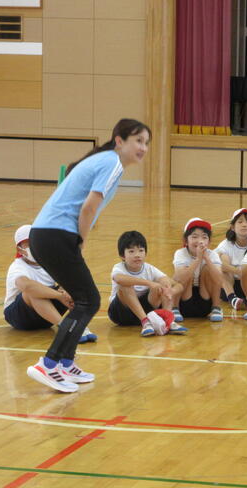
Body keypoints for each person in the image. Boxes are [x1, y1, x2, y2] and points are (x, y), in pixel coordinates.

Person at [26, 118, 150, 392]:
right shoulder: (112, 162)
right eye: (138, 141)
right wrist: (80, 241)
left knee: (84, 299)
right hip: (56, 235)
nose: (143, 147)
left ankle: (65, 363)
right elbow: (88, 208)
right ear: (120, 141)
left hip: (46, 235)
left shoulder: (105, 160)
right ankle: (49, 364)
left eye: (146, 142)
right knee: (88, 300)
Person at [107, 230, 187, 336]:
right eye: (131, 251)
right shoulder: (119, 268)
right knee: (125, 285)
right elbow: (119, 279)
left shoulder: (149, 269)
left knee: (162, 285)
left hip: (145, 311)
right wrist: (150, 283)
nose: (137, 255)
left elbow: (178, 285)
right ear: (122, 256)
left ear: (145, 253)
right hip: (121, 313)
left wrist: (168, 289)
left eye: (141, 250)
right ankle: (145, 322)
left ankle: (168, 321)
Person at [4, 224, 79, 335]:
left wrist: (66, 291)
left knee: (75, 286)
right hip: (19, 317)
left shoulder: (50, 261)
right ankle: (66, 327)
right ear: (20, 250)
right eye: (29, 244)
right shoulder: (17, 267)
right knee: (32, 292)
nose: (35, 246)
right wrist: (59, 296)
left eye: (36, 242)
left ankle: (80, 325)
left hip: (46, 316)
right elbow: (27, 286)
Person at [172, 217, 224, 322]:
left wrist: (206, 259)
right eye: (194, 237)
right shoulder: (180, 253)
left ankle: (216, 308)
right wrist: (198, 259)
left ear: (209, 241)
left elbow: (219, 280)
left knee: (207, 269)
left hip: (205, 301)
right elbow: (180, 279)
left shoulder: (212, 254)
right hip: (184, 301)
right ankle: (174, 308)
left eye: (204, 237)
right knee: (184, 272)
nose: (200, 241)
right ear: (186, 241)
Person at [216, 207, 247, 310]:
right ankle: (232, 298)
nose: (244, 225)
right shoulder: (226, 244)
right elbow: (220, 265)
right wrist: (238, 271)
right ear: (232, 227)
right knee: (223, 264)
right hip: (231, 285)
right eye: (240, 222)